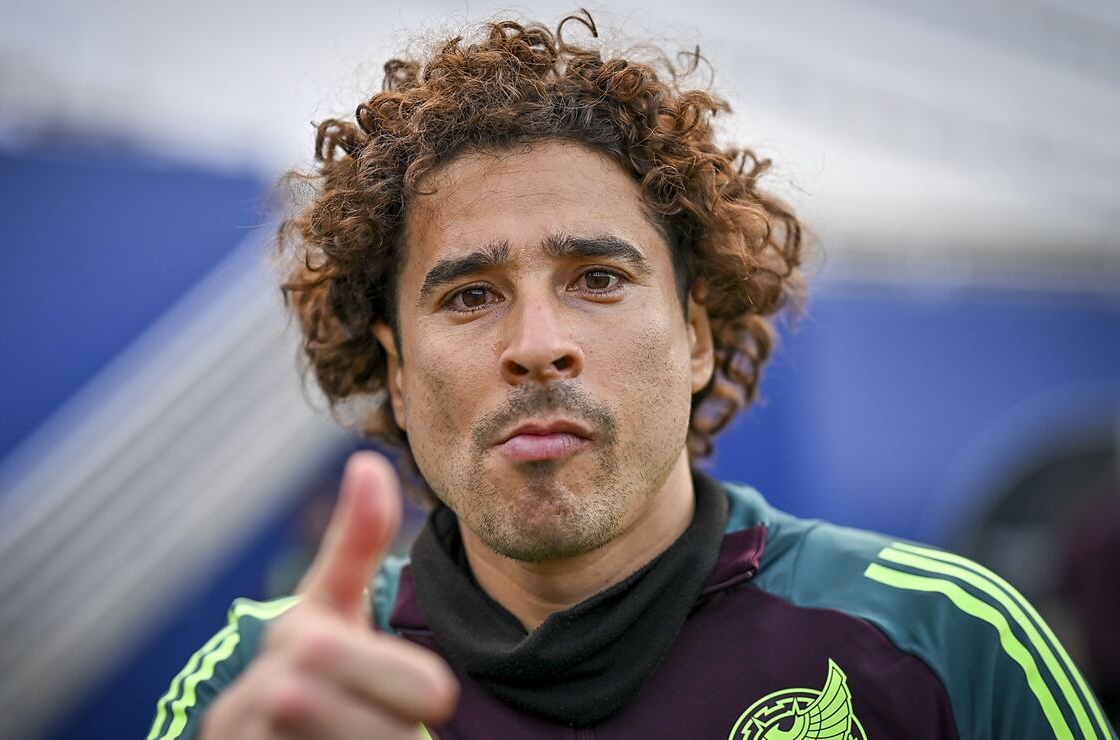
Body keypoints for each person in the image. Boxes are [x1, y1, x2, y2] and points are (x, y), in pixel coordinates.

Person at [147, 12, 1116, 740]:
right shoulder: (269, 686)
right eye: (470, 295)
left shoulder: (941, 638)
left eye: (598, 279)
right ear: (397, 376)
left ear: (696, 337)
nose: (537, 344)